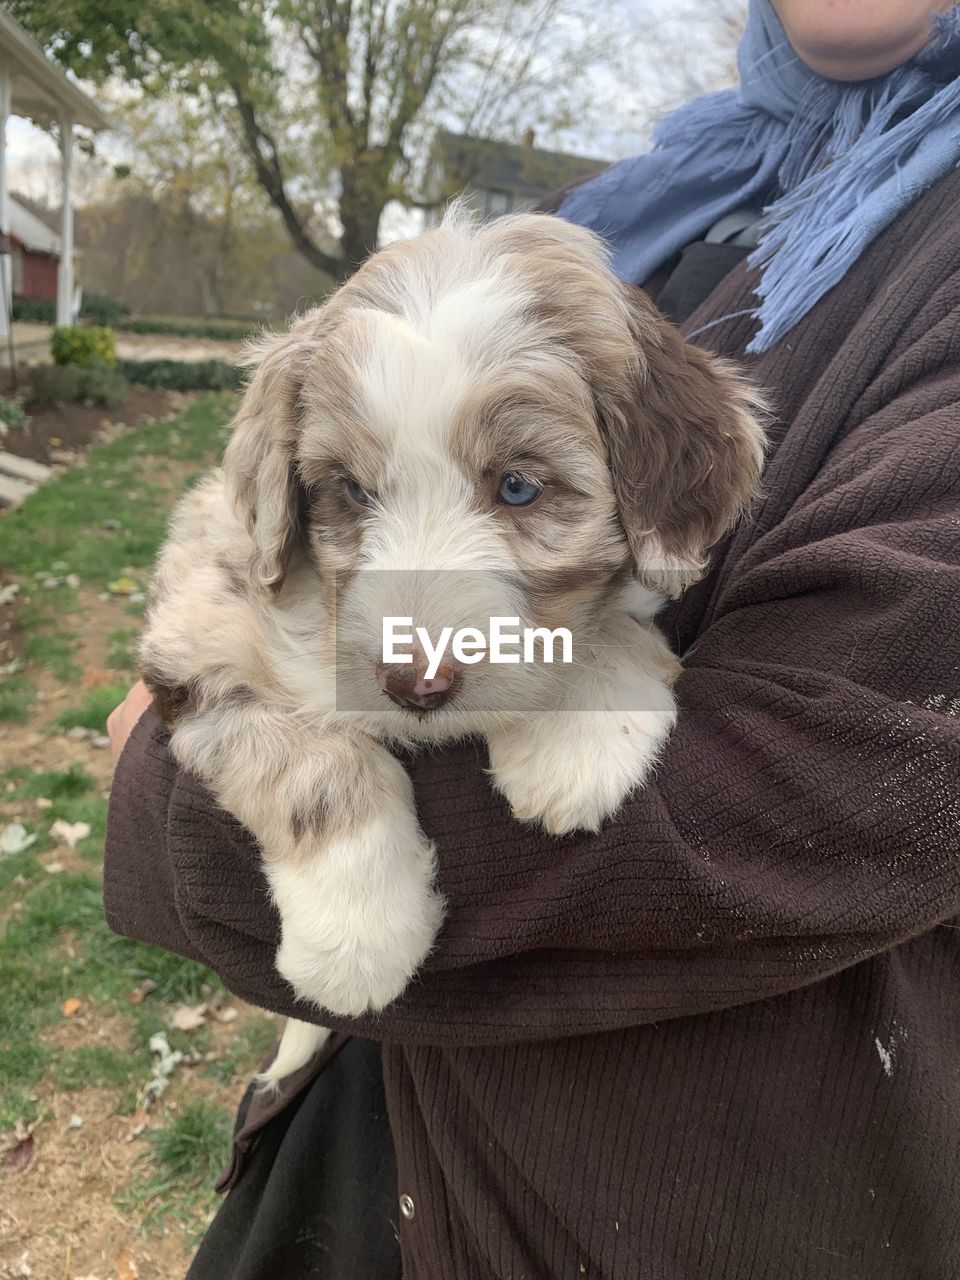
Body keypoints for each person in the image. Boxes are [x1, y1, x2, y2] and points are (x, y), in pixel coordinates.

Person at [105, 2, 960, 1276]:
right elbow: (223, 598)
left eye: (518, 489)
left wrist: (156, 801)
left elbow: (821, 777)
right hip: (387, 1140)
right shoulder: (653, 201)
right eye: (357, 494)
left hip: (710, 1205)